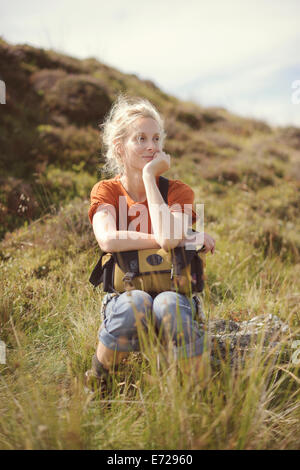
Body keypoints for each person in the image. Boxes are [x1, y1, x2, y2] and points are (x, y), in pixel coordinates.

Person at [85, 95, 215, 393]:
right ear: (120, 147)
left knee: (167, 303)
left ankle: (200, 394)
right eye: (140, 138)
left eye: (156, 138)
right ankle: (98, 384)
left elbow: (171, 237)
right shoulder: (106, 191)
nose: (152, 146)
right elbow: (107, 239)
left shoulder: (179, 192)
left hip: (175, 294)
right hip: (126, 296)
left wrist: (148, 177)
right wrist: (173, 238)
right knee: (137, 302)